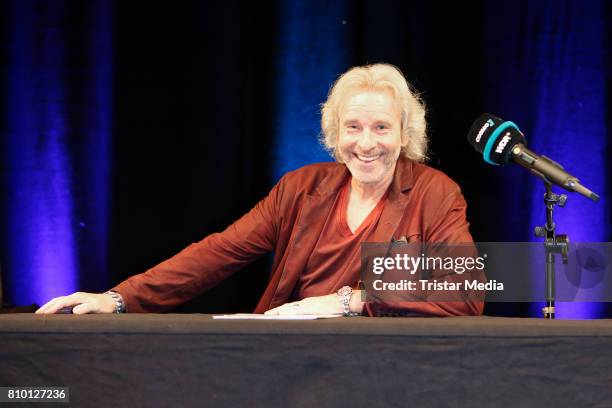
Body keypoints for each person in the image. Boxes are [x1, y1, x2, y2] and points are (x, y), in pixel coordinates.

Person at [36, 63, 483, 317]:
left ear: (405, 134)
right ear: (335, 133)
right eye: (354, 127)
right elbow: (218, 252)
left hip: (387, 366)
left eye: (382, 127)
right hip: (288, 358)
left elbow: (468, 292)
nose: (366, 143)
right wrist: (117, 298)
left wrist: (346, 301)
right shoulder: (300, 188)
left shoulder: (435, 192)